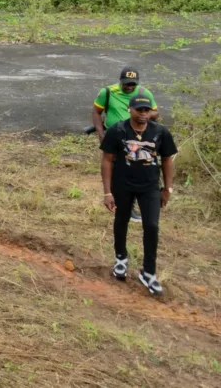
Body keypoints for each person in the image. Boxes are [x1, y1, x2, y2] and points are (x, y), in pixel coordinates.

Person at [99, 94, 177, 296]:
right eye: (139, 110)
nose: (143, 114)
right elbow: (107, 160)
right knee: (122, 220)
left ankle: (148, 272)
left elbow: (167, 160)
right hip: (122, 185)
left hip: (150, 187)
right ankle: (121, 259)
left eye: (147, 110)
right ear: (130, 110)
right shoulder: (118, 131)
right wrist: (107, 192)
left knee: (151, 225)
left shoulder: (160, 133)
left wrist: (167, 189)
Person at [91, 67, 159, 223]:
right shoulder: (107, 92)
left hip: (135, 138)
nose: (130, 87)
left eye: (133, 84)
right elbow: (96, 112)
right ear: (120, 81)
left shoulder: (144, 93)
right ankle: (120, 204)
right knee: (114, 169)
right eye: (127, 84)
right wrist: (101, 134)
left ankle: (131, 206)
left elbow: (156, 113)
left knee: (134, 169)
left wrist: (141, 114)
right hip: (113, 136)